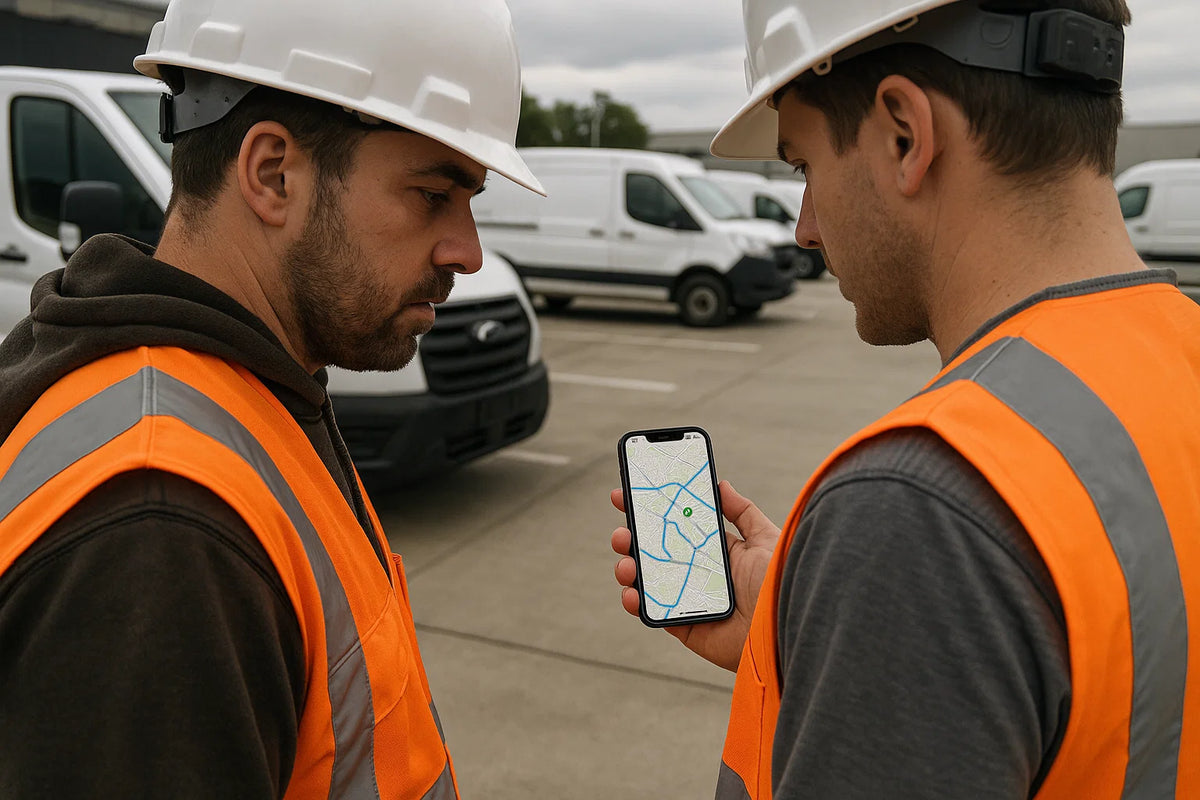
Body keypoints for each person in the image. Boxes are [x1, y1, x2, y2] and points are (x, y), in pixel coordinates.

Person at [611, 0, 1200, 797]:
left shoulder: (918, 506)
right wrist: (813, 629)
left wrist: (885, 580)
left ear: (904, 134)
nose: (804, 229)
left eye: (803, 167)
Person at [0, 0, 542, 797]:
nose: (467, 250)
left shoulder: (258, 390)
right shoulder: (161, 531)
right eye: (433, 193)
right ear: (271, 174)